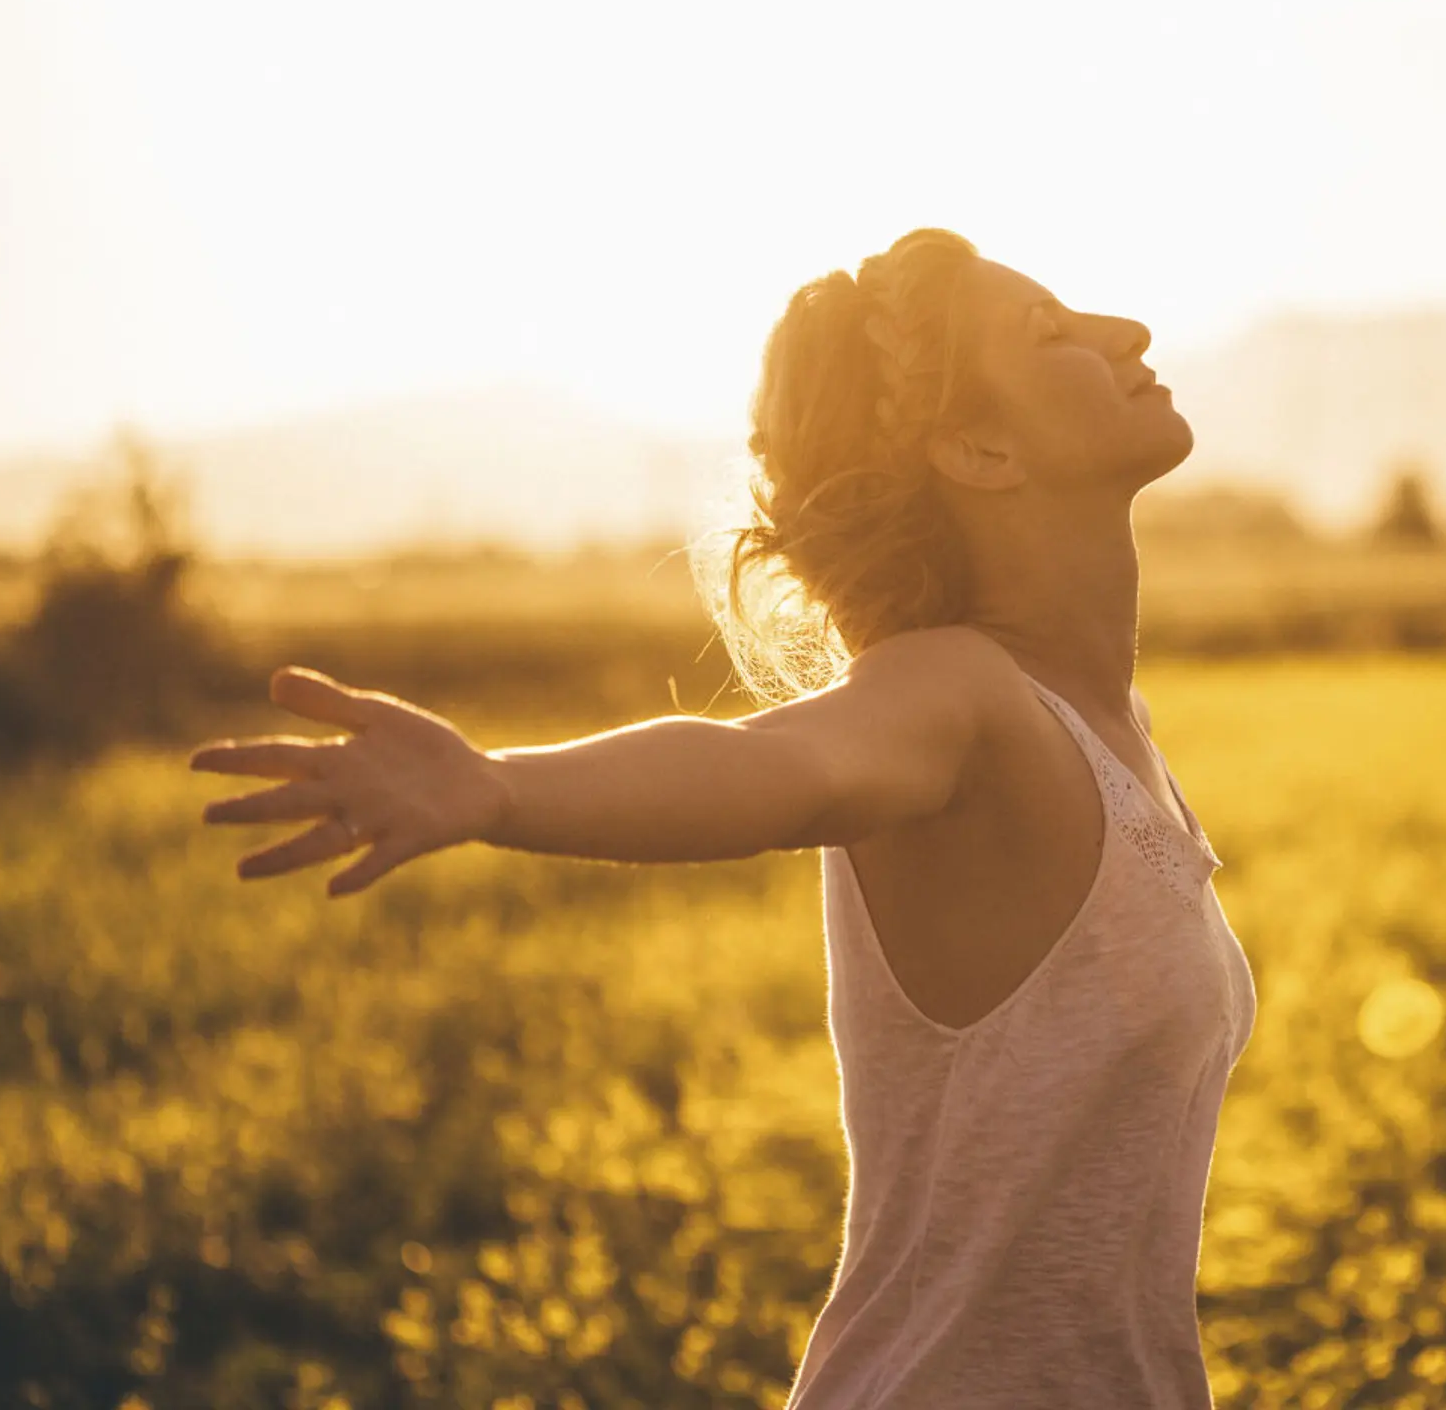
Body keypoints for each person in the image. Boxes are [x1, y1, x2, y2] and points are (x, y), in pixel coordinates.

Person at [189, 227, 1258, 1407]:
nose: (1129, 334)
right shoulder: (955, 694)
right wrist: (498, 788)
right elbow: (780, 763)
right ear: (978, 446)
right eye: (1051, 334)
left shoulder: (1108, 726)